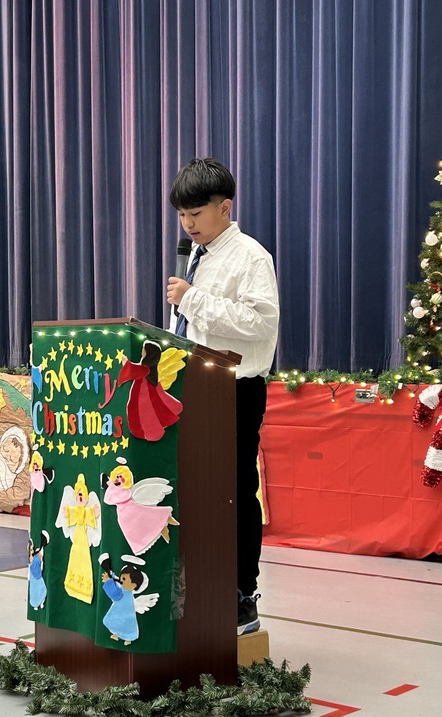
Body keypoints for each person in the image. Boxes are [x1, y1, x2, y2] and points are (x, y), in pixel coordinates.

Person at [166, 157, 279, 635]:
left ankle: (240, 596)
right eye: (181, 215)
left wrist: (192, 299)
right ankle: (198, 587)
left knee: (233, 493)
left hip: (235, 391)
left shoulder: (250, 257)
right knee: (194, 492)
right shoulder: (198, 256)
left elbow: (261, 322)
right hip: (192, 385)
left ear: (225, 207)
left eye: (196, 214)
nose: (187, 224)